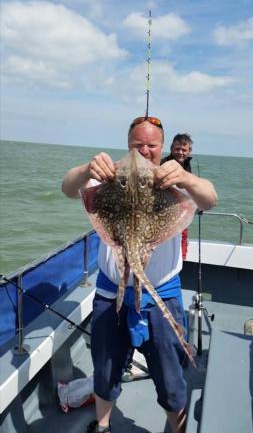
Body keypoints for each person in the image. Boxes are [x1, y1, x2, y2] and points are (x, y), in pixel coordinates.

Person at [62, 117, 217, 433]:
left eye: (151, 145)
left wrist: (187, 178)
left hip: (162, 293)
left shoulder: (174, 181)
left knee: (171, 377)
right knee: (105, 369)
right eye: (137, 145)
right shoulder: (111, 177)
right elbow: (68, 188)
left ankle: (177, 428)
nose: (144, 151)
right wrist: (86, 170)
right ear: (128, 145)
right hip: (110, 294)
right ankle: (102, 425)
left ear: (162, 148)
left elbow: (210, 199)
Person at [161, 133, 193, 259]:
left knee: (183, 236)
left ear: (189, 151)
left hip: (183, 210)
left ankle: (181, 259)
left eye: (184, 150)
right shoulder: (163, 164)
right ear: (171, 148)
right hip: (166, 212)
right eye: (177, 149)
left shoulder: (187, 165)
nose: (180, 152)